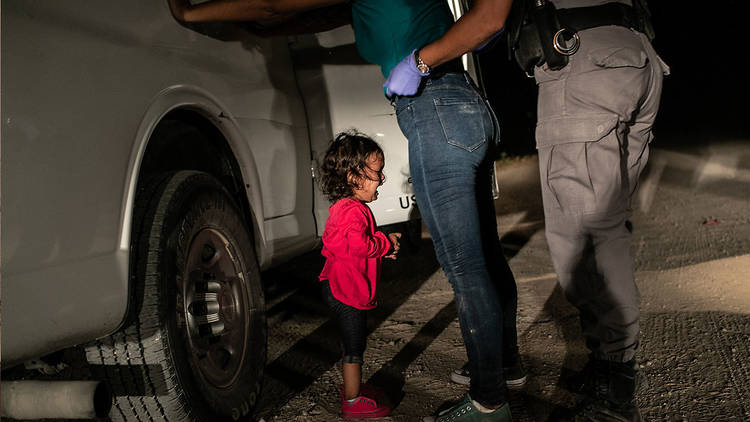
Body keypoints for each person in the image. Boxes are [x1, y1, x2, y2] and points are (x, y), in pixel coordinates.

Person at [169, 1, 522, 421]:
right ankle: (504, 366)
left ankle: (488, 401)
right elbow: (312, 15)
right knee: (485, 254)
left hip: (435, 108)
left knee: (465, 265)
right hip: (462, 104)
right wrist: (263, 31)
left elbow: (273, 3)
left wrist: (190, 13)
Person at [509, 0, 669, 420]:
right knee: (607, 226)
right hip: (635, 54)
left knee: (587, 237)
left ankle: (615, 395)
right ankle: (606, 367)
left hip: (585, 60)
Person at [318, 131, 401, 419]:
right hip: (346, 291)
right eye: (377, 173)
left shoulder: (345, 208)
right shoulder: (353, 211)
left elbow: (349, 244)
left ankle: (353, 389)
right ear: (354, 177)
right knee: (354, 345)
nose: (381, 179)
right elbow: (358, 245)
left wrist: (381, 247)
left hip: (337, 285)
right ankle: (352, 401)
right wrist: (385, 243)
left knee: (351, 342)